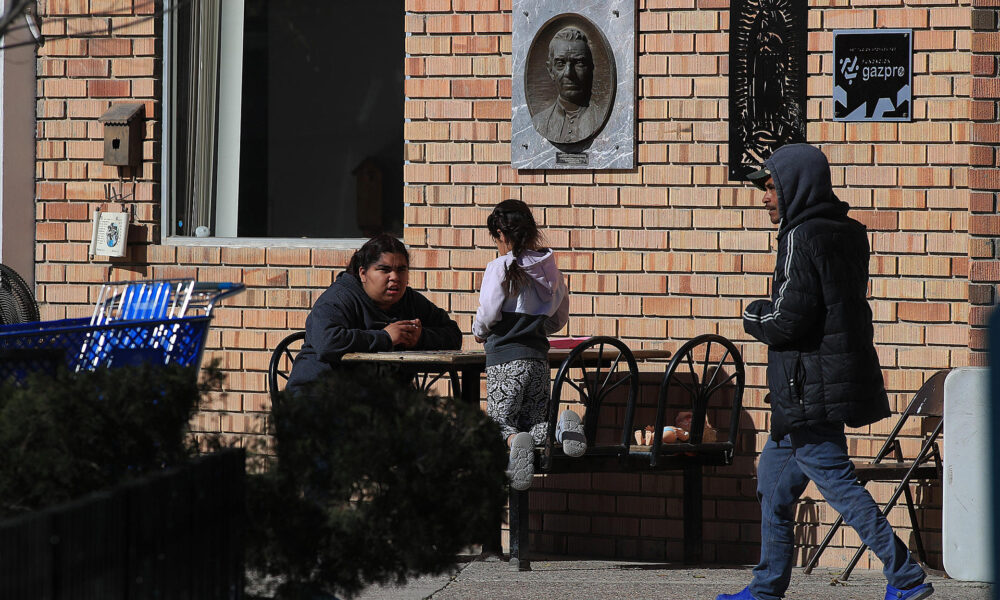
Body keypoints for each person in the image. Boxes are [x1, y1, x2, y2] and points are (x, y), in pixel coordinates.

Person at [717, 144, 933, 600]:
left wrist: (751, 315)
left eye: (771, 187)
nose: (765, 197)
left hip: (805, 390)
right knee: (772, 489)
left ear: (796, 186)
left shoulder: (801, 235)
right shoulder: (848, 232)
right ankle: (766, 587)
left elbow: (788, 318)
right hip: (825, 381)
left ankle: (907, 578)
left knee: (840, 487)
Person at [472, 199, 580, 491]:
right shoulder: (551, 271)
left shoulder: (499, 267)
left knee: (497, 424)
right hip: (537, 360)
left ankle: (512, 442)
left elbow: (489, 312)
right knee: (535, 420)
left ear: (500, 234)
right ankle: (558, 430)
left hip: (505, 360)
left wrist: (478, 331)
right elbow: (557, 321)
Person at [286, 234, 462, 396]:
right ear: (363, 273)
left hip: (379, 406)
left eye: (401, 270)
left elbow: (453, 335)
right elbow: (327, 342)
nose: (394, 277)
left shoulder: (410, 301)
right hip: (319, 399)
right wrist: (385, 337)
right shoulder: (338, 298)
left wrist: (420, 338)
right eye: (384, 270)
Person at [530, 26, 604, 144]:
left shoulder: (600, 117)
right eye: (560, 63)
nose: (569, 73)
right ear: (550, 70)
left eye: (578, 63)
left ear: (590, 68)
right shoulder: (541, 121)